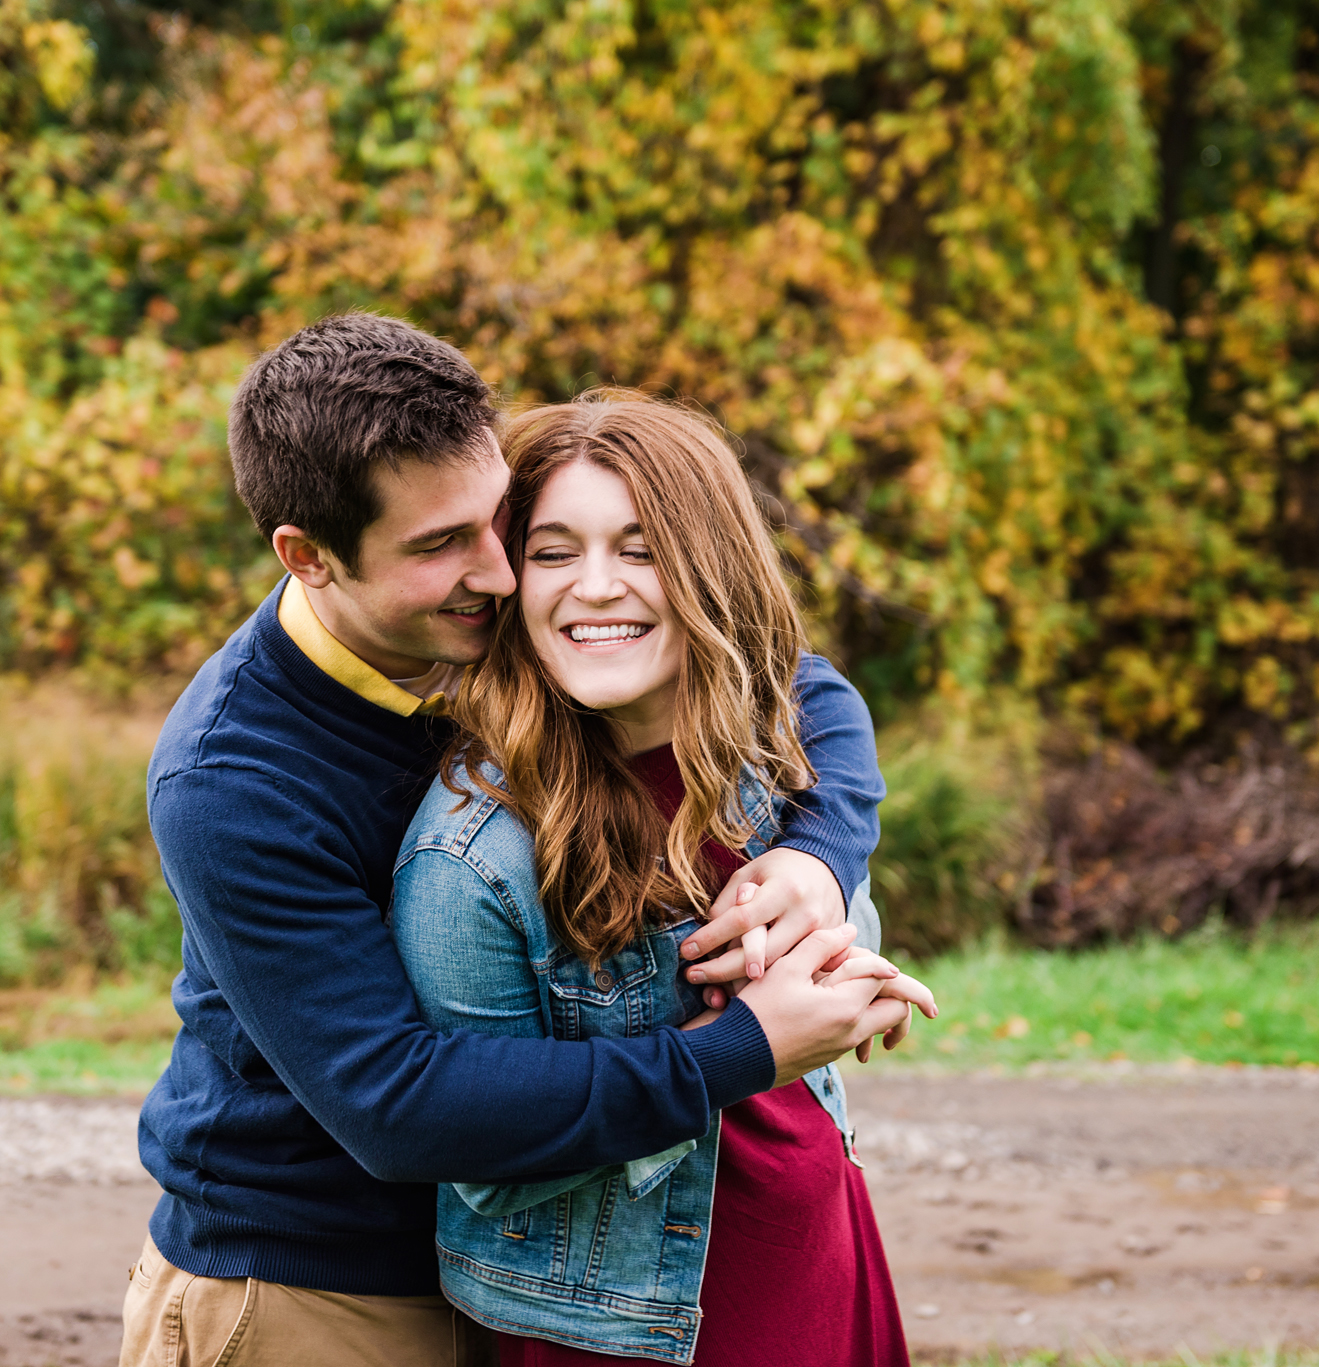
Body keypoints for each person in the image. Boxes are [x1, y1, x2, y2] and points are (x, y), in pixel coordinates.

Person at [127, 314, 914, 1367]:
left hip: (533, 1258)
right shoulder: (231, 780)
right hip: (315, 1284)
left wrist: (820, 851)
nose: (498, 573)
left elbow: (784, 678)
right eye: (441, 545)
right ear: (309, 558)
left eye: (496, 519)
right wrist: (747, 1047)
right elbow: (398, 1105)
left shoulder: (494, 610)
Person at [390, 393, 932, 1366]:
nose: (594, 586)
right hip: (613, 1318)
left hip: (810, 1238)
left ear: (707, 565)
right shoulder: (471, 853)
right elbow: (480, 1161)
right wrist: (744, 1042)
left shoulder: (774, 769)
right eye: (553, 551)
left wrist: (844, 975)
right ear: (510, 577)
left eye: (639, 548)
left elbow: (814, 689)